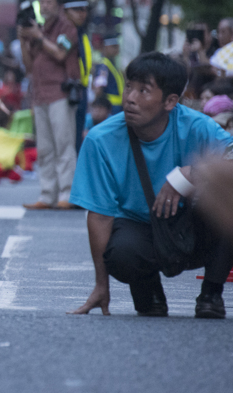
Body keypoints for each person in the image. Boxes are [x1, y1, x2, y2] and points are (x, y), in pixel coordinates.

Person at [69, 53, 233, 319]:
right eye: (129, 87)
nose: (130, 98)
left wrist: (190, 173)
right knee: (121, 251)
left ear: (170, 101)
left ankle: (211, 293)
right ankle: (148, 290)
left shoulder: (198, 126)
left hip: (194, 225)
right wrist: (102, 285)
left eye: (143, 90)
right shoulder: (100, 140)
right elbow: (99, 216)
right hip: (140, 229)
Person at [18, 0, 79, 210]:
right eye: (42, 2)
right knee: (44, 148)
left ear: (59, 5)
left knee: (63, 145)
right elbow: (29, 65)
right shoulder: (38, 28)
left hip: (60, 93)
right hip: (40, 94)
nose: (44, 6)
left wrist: (38, 37)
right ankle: (47, 194)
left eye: (49, 2)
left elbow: (61, 54)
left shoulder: (67, 28)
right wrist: (25, 40)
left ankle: (67, 193)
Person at [62, 0, 91, 151]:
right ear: (65, 12)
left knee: (77, 139)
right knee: (68, 141)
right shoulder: (65, 33)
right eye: (77, 9)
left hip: (81, 91)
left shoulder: (82, 32)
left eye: (84, 9)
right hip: (69, 90)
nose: (82, 13)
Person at [92, 32, 124, 114]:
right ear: (105, 47)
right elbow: (99, 89)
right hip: (110, 108)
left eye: (117, 46)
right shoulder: (103, 66)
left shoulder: (111, 65)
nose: (117, 49)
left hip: (116, 107)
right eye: (114, 46)